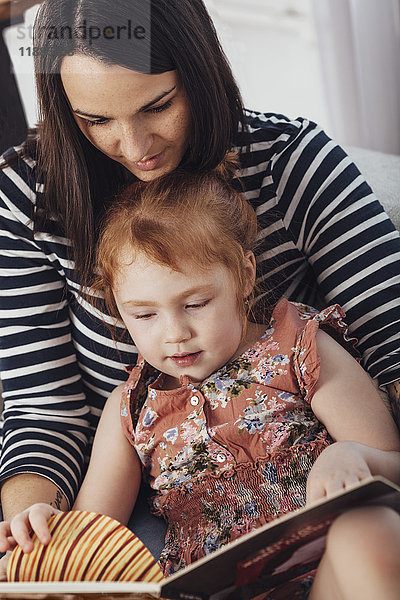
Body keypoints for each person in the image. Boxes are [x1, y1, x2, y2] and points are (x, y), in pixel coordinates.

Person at [0, 0, 399, 554]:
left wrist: (369, 459)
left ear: (200, 72)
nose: (136, 148)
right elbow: (43, 411)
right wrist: (35, 527)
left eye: (157, 105)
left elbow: (391, 343)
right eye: (96, 120)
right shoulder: (27, 198)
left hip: (318, 476)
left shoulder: (293, 162)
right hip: (148, 499)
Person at [0, 164, 399, 599]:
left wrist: (353, 456)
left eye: (195, 303)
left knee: (371, 530)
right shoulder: (130, 406)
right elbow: (93, 536)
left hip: (328, 574)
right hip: (208, 591)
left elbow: (392, 462)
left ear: (245, 276)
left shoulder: (298, 348)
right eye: (145, 314)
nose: (174, 333)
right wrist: (40, 530)